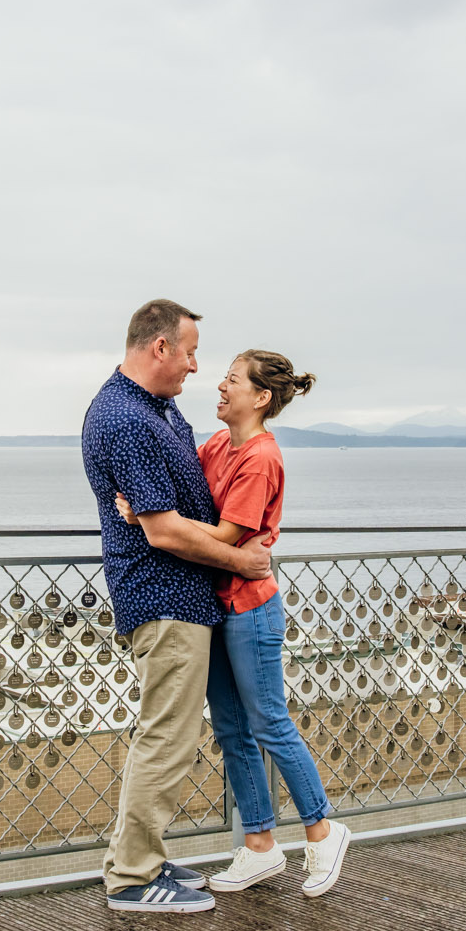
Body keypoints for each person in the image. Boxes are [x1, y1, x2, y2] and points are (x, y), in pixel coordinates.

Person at [118, 350, 350, 897]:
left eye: (230, 381)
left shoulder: (261, 458)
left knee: (269, 722)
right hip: (214, 606)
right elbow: (185, 496)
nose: (218, 387)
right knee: (231, 731)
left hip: (250, 609)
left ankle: (322, 830)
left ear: (261, 397)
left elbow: (224, 539)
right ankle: (260, 848)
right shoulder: (220, 444)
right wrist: (149, 509)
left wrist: (158, 522)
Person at [82, 300, 273, 913]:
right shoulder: (126, 419)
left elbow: (168, 503)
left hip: (185, 594)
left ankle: (141, 857)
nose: (196, 367)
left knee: (170, 731)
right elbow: (163, 531)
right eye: (189, 352)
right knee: (167, 735)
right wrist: (241, 562)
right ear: (159, 347)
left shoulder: (154, 409)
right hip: (163, 595)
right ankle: (133, 878)